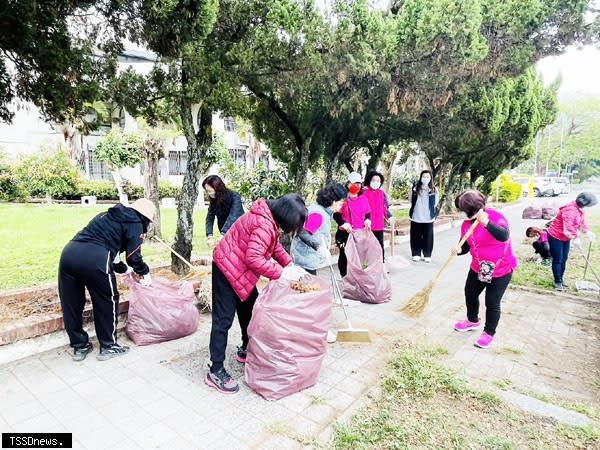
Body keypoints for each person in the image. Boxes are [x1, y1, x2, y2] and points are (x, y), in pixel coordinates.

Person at [206, 194, 308, 394]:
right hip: (226, 269)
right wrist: (281, 273)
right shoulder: (264, 223)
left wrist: (289, 263)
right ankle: (215, 369)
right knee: (222, 321)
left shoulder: (268, 217)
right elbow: (254, 258)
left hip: (240, 270)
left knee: (250, 310)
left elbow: (273, 245)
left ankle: (246, 349)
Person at [58, 198, 156, 362]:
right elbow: (133, 256)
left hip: (69, 254)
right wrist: (144, 272)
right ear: (146, 218)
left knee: (71, 303)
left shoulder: (107, 216)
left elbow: (115, 254)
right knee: (107, 300)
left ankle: (79, 345)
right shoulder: (136, 223)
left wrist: (126, 270)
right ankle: (109, 346)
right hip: (95, 258)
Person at [451, 190, 517, 349]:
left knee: (492, 302)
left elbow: (503, 235)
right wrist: (458, 250)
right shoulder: (467, 224)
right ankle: (472, 321)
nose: (461, 213)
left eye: (463, 210)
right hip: (478, 267)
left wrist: (486, 223)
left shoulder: (495, 217)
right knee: (470, 292)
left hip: (501, 269)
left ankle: (489, 333)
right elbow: (465, 246)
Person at [291, 183, 347, 275]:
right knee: (308, 287)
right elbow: (304, 232)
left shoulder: (324, 212)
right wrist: (320, 246)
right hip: (304, 259)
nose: (342, 206)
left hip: (307, 257)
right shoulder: (318, 213)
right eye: (341, 203)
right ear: (333, 201)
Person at [546, 192, 597, 291]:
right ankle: (558, 281)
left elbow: (581, 223)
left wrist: (587, 232)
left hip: (565, 237)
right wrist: (576, 238)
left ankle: (561, 279)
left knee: (564, 258)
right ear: (583, 202)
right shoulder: (570, 210)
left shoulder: (579, 209)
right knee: (558, 259)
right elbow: (568, 228)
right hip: (556, 235)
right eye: (589, 205)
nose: (588, 208)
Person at [334, 172, 372, 277]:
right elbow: (336, 215)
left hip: (359, 233)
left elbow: (368, 213)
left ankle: (356, 277)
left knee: (359, 256)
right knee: (344, 256)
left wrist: (368, 220)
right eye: (354, 183)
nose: (356, 186)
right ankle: (344, 277)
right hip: (344, 234)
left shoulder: (363, 199)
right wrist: (344, 224)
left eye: (359, 184)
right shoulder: (342, 200)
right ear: (348, 184)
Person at [202, 175, 244, 248]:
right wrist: (209, 236)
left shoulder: (235, 196)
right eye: (207, 191)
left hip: (240, 232)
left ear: (217, 188)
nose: (208, 193)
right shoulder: (214, 200)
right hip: (224, 232)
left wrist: (223, 233)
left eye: (210, 191)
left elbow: (233, 216)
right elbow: (210, 217)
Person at [362, 171, 395, 260]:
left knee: (380, 245)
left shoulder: (381, 193)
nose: (376, 182)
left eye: (378, 181)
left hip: (379, 225)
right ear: (369, 181)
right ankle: (368, 266)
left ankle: (381, 264)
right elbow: (361, 209)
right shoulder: (364, 193)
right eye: (374, 180)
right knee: (368, 247)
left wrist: (390, 216)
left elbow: (384, 208)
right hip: (367, 225)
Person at [409, 170, 439, 263]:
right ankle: (416, 254)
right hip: (416, 216)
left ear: (430, 179)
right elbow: (411, 199)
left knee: (428, 237)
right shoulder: (415, 189)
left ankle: (427, 254)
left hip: (428, 218)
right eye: (423, 176)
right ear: (420, 177)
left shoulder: (434, 190)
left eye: (427, 177)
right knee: (415, 236)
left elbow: (436, 202)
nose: (425, 178)